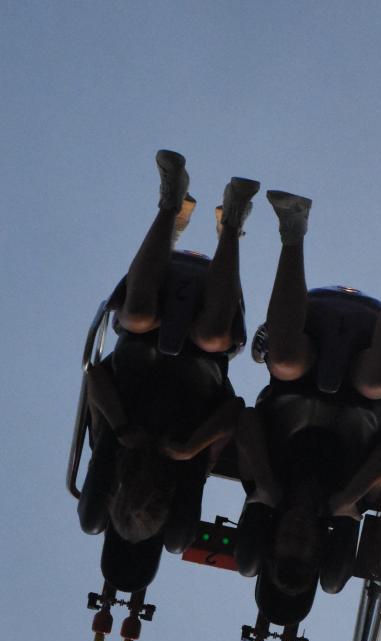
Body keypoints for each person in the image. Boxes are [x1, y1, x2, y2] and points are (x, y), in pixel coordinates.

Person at [234, 190, 381, 620]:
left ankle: (293, 231)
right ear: (321, 545)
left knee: (284, 362)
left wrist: (264, 482)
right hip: (364, 367)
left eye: (287, 542)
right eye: (307, 547)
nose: (298, 535)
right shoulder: (354, 500)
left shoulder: (261, 485)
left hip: (302, 358)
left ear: (274, 538)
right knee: (378, 382)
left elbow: (245, 418)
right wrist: (352, 497)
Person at [79, 151, 258, 569]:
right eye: (153, 503)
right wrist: (192, 446)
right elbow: (235, 410)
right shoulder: (192, 466)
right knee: (213, 335)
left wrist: (122, 427)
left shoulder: (112, 447)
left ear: (119, 493)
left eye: (132, 497)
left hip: (140, 346)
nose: (145, 492)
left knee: (138, 314)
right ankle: (231, 224)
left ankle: (170, 204)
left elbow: (95, 375)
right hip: (203, 364)